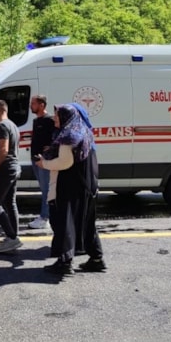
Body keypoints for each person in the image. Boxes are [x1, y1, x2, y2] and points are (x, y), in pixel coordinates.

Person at [35, 103, 105, 275]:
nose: (54, 118)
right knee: (87, 223)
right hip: (87, 185)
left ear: (66, 117)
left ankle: (65, 262)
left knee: (64, 222)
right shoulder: (83, 131)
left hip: (71, 187)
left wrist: (44, 163)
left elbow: (65, 162)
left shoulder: (68, 135)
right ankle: (97, 259)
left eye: (58, 115)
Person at [0, 99, 23, 254]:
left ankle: (12, 237)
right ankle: (13, 236)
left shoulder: (2, 126)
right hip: (14, 167)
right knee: (10, 202)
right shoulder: (13, 125)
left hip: (5, 168)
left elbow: (4, 150)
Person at [29, 95, 55, 230]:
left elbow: (58, 137)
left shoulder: (49, 120)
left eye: (33, 103)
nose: (31, 106)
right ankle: (45, 216)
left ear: (42, 105)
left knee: (46, 189)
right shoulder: (36, 121)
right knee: (43, 189)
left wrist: (51, 147)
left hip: (44, 160)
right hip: (35, 160)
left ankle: (45, 218)